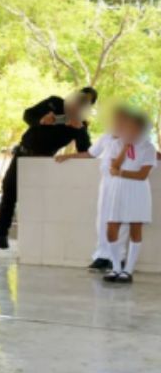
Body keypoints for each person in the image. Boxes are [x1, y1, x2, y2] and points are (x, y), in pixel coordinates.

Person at [0, 87, 97, 250]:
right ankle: (0, 236)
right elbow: (28, 114)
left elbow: (85, 151)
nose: (77, 105)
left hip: (42, 162)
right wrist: (41, 120)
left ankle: (36, 243)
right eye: (78, 100)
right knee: (9, 192)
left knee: (34, 201)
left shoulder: (80, 124)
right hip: (22, 155)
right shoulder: (54, 102)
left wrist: (79, 129)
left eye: (84, 103)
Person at [55, 107, 128, 271]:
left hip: (125, 183)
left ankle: (118, 258)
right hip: (107, 183)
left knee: (120, 221)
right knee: (102, 219)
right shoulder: (106, 137)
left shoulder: (133, 138)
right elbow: (90, 154)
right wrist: (68, 156)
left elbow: (150, 154)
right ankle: (102, 256)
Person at [101, 108, 156, 283]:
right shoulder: (116, 144)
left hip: (138, 191)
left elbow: (142, 175)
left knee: (135, 228)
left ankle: (128, 270)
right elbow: (113, 168)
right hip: (118, 190)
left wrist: (121, 173)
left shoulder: (148, 147)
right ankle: (116, 267)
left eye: (133, 127)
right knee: (111, 227)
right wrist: (125, 148)